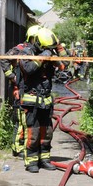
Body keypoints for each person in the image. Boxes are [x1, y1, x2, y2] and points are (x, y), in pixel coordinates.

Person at [18, 27, 68, 173]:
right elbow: (28, 69)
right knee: (32, 133)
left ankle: (44, 159)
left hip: (45, 101)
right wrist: (43, 57)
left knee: (47, 133)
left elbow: (65, 65)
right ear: (40, 44)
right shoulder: (26, 53)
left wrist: (58, 48)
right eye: (47, 48)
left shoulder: (50, 53)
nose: (49, 51)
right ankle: (31, 161)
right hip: (31, 100)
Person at [0, 25, 40, 158]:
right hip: (19, 89)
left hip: (31, 90)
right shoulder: (19, 49)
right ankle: (17, 148)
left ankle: (27, 146)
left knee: (29, 120)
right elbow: (3, 59)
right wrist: (12, 77)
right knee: (20, 120)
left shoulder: (38, 51)